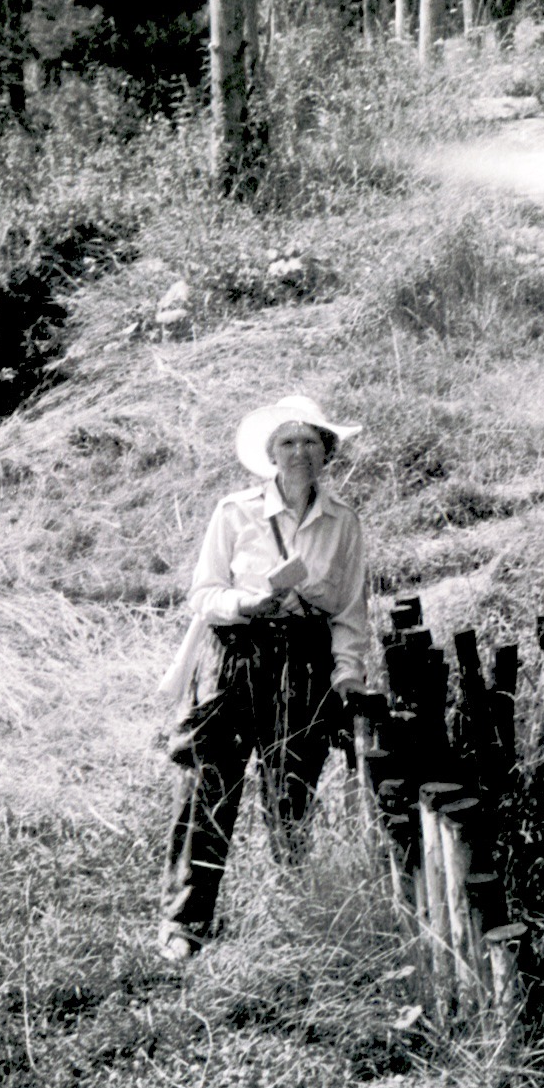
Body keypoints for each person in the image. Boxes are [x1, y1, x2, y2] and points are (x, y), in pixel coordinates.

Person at [157, 394, 369, 961]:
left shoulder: (343, 523)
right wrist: (248, 602)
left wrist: (347, 676)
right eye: (287, 442)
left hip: (303, 662)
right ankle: (186, 924)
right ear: (270, 455)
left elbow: (349, 613)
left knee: (292, 789)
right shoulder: (235, 511)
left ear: (327, 453)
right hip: (233, 657)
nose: (300, 452)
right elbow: (202, 595)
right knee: (209, 784)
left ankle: (294, 912)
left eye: (310, 442)